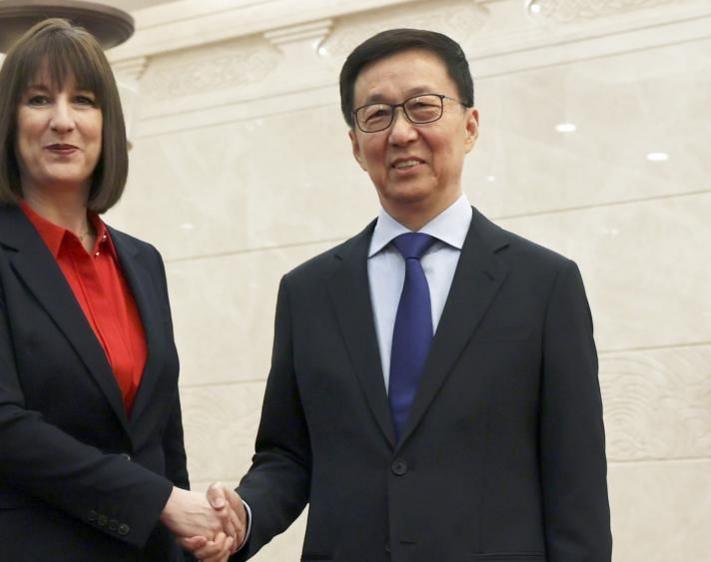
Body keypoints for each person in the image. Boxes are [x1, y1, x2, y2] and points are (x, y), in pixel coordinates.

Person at [199, 28, 612, 561]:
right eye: (376, 115)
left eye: (423, 107)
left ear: (470, 126)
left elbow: (574, 481)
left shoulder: (544, 284)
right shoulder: (308, 291)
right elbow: (288, 455)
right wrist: (243, 516)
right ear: (355, 144)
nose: (400, 133)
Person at [0, 19, 238, 561]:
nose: (62, 121)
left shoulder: (142, 262)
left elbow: (162, 437)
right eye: (39, 99)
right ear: (9, 123)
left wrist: (196, 534)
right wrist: (159, 500)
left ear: (106, 124)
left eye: (83, 101)